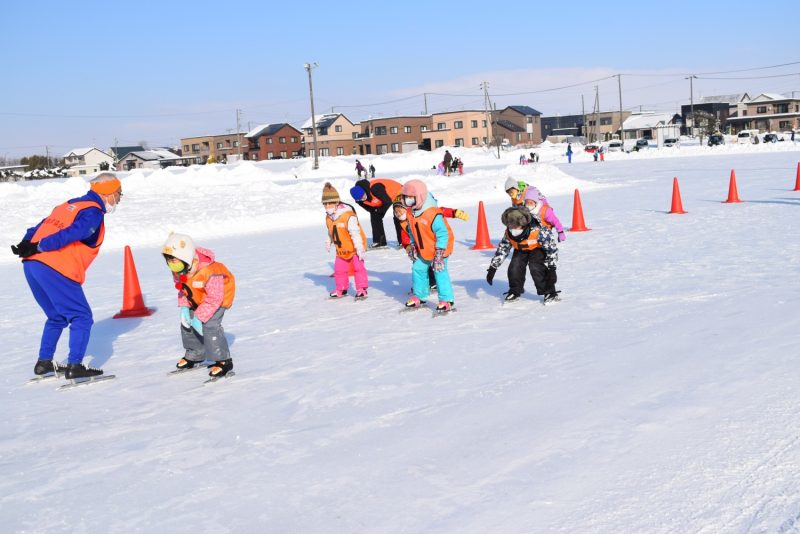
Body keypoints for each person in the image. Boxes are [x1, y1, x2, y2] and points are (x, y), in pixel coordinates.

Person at [12, 173, 123, 379]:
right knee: (81, 316)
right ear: (107, 193)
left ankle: (44, 362)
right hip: (56, 267)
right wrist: (41, 245)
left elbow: (37, 227)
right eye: (119, 194)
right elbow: (77, 232)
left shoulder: (68, 205)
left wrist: (26, 244)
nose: (119, 199)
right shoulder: (93, 211)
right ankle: (75, 365)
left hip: (32, 266)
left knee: (56, 316)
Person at [162, 232, 236, 378]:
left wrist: (199, 317)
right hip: (198, 298)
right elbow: (183, 289)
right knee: (186, 323)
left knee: (209, 326)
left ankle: (223, 361)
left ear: (186, 257)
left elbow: (214, 298)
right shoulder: (179, 269)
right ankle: (195, 354)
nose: (172, 265)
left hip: (219, 298)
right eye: (169, 261)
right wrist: (184, 307)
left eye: (174, 261)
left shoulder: (209, 271)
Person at [393, 193, 468, 292]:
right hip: (418, 247)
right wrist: (408, 247)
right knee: (419, 266)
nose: (398, 214)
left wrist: (454, 212)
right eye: (396, 212)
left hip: (432, 243)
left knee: (433, 264)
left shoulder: (422, 212)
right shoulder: (403, 224)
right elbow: (405, 237)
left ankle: (433, 282)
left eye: (400, 210)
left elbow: (441, 211)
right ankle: (422, 285)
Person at [485, 206, 560, 305]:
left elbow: (551, 249)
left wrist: (552, 268)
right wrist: (493, 268)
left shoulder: (539, 231)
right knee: (515, 266)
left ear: (524, 224)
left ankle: (549, 292)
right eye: (511, 226)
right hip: (520, 249)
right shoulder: (509, 233)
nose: (513, 229)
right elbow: (503, 249)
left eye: (516, 226)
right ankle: (515, 291)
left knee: (535, 266)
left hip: (537, 248)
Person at [400, 180, 455, 312]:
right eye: (406, 198)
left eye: (411, 198)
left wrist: (439, 253)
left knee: (439, 271)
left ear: (419, 196)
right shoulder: (410, 212)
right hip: (424, 249)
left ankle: (447, 300)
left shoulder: (432, 213)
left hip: (440, 248)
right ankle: (420, 295)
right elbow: (412, 231)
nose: (408, 201)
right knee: (418, 268)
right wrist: (413, 245)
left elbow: (442, 233)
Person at [322, 182, 368, 299]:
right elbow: (331, 230)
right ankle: (341, 289)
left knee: (358, 268)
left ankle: (361, 288)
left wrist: (359, 248)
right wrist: (329, 241)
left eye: (330, 204)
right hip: (341, 249)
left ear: (337, 203)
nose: (328, 207)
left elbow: (355, 233)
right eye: (325, 205)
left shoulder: (347, 215)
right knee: (339, 270)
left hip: (355, 247)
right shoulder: (328, 217)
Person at [349, 177, 403, 248]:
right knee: (375, 216)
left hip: (399, 191)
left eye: (363, 196)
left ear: (365, 191)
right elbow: (370, 209)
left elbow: (387, 202)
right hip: (385, 199)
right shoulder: (359, 200)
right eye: (360, 199)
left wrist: (379, 210)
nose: (363, 199)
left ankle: (404, 242)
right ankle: (379, 242)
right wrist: (376, 211)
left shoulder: (375, 188)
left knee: (398, 215)